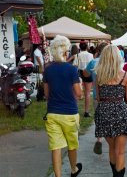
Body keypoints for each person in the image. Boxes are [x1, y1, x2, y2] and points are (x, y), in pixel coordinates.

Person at [94, 45, 127, 177]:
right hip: (121, 112)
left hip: (104, 112)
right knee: (121, 151)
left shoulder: (99, 75)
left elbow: (98, 98)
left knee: (112, 149)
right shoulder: (125, 75)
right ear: (118, 58)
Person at [43, 35, 82, 177]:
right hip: (69, 113)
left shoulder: (47, 70)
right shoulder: (72, 70)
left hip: (52, 113)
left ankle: (57, 176)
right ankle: (73, 169)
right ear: (66, 52)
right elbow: (78, 93)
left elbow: (47, 94)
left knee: (56, 147)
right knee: (72, 145)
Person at [83, 42, 108, 155]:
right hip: (111, 95)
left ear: (98, 51)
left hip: (97, 95)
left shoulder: (93, 62)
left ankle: (99, 139)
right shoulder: (111, 63)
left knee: (98, 117)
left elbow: (85, 73)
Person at [77, 41, 94, 117]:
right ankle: (86, 112)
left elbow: (76, 65)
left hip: (80, 73)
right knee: (87, 93)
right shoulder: (90, 55)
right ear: (86, 47)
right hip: (88, 72)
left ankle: (76, 110)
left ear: (80, 47)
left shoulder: (78, 55)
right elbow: (92, 65)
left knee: (80, 92)